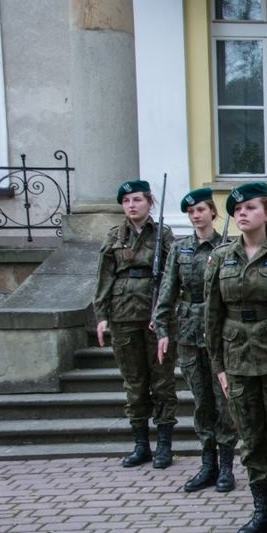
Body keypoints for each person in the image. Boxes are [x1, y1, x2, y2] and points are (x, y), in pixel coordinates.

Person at [205, 182, 267, 533]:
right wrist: (219, 367)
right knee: (251, 438)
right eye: (237, 209)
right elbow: (212, 317)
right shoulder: (220, 259)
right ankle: (260, 509)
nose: (242, 213)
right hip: (236, 360)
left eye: (249, 207)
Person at [153, 188, 238, 493]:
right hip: (188, 333)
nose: (196, 215)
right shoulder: (180, 249)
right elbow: (167, 291)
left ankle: (227, 465)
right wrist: (162, 329)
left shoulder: (229, 247)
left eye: (201, 209)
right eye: (191, 212)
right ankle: (208, 464)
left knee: (223, 401)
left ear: (212, 212)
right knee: (202, 402)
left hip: (220, 334)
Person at [93, 179, 179, 469]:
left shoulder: (163, 235)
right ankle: (141, 444)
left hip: (155, 315)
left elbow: (172, 275)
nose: (131, 205)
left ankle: (164, 445)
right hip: (123, 315)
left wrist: (166, 313)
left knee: (163, 382)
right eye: (127, 200)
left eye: (137, 200)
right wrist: (101, 315)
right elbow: (104, 277)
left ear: (149, 203)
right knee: (134, 382)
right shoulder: (114, 237)